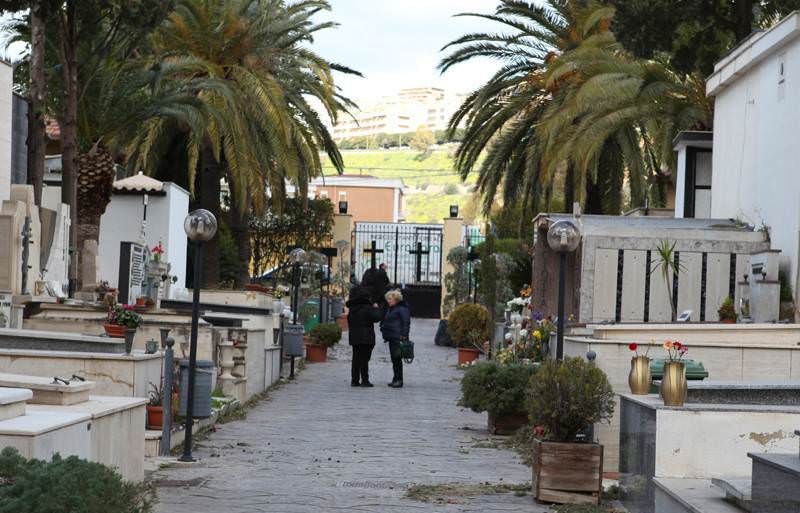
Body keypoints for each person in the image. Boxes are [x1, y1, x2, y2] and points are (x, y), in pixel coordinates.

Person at [346, 286, 383, 387]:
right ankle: (365, 380)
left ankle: (354, 380)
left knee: (356, 358)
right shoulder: (367, 308)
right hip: (367, 337)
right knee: (365, 359)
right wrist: (376, 308)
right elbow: (377, 318)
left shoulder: (352, 309)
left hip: (354, 337)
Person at [380, 289, 411, 388]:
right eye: (387, 299)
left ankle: (399, 380)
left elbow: (406, 322)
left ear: (396, 299)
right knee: (394, 359)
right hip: (392, 337)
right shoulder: (392, 308)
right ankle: (395, 378)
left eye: (390, 299)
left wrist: (404, 335)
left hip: (398, 337)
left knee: (397, 359)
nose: (388, 301)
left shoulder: (401, 308)